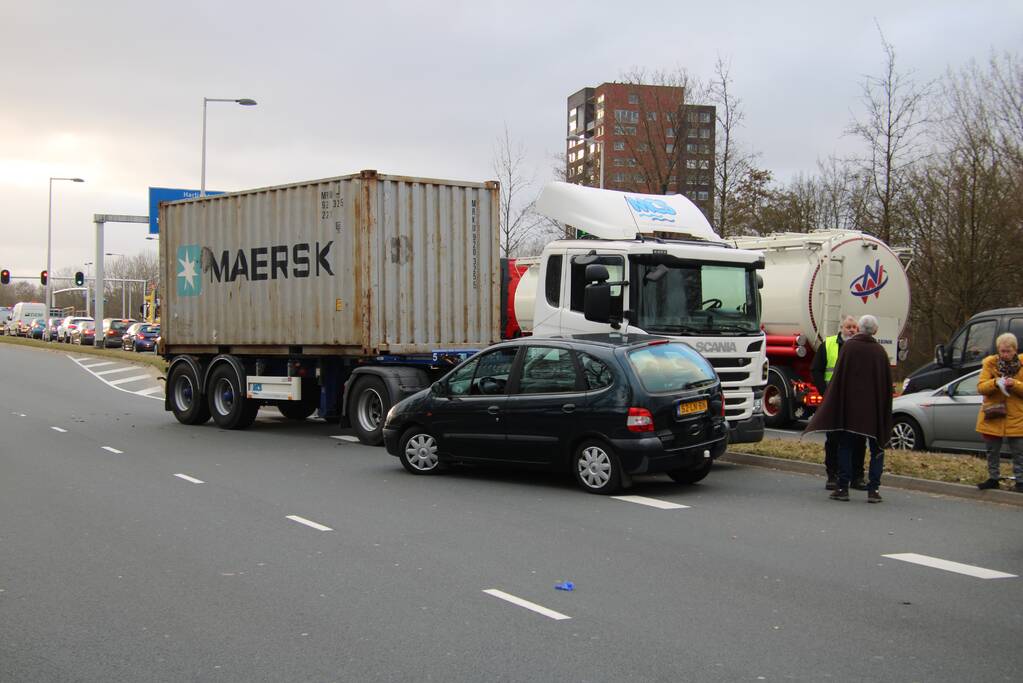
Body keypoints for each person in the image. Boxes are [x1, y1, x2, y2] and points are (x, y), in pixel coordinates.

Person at [804, 314, 893, 503]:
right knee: (876, 448)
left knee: (845, 445)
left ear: (859, 329)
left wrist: (832, 402)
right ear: (875, 331)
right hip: (873, 409)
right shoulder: (880, 352)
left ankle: (842, 487)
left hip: (849, 408)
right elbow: (886, 383)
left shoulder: (848, 348)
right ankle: (873, 490)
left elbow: (839, 378)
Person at [811, 315, 867, 490]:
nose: (851, 330)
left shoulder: (862, 347)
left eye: (854, 327)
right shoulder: (828, 345)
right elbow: (816, 370)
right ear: (841, 328)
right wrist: (825, 393)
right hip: (833, 401)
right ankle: (832, 476)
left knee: (859, 440)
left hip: (855, 402)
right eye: (848, 326)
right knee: (833, 440)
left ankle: (857, 477)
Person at [975, 333, 1023, 492]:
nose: (1005, 354)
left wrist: (1014, 384)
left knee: (1019, 452)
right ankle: (993, 478)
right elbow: (981, 387)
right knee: (992, 450)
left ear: (1015, 350)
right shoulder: (990, 364)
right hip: (993, 413)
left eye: (1008, 351)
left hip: (1017, 415)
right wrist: (996, 382)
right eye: (1002, 351)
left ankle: (1020, 481)